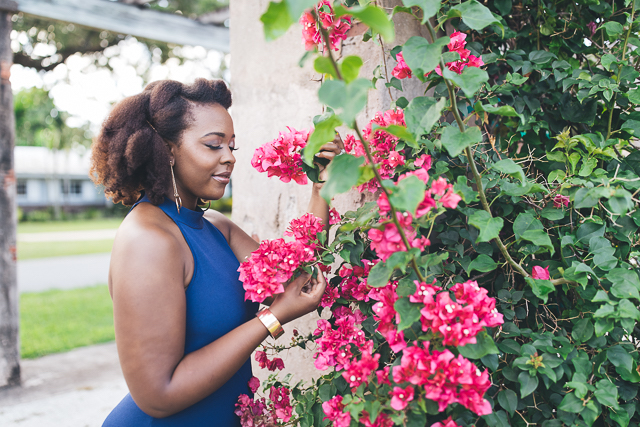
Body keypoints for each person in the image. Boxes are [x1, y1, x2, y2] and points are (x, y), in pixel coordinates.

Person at [92, 79, 340, 426]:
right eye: (213, 145)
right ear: (167, 150)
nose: (229, 158)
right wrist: (271, 319)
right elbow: (158, 396)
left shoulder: (215, 226)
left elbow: (297, 282)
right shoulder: (147, 240)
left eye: (232, 146)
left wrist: (322, 187)